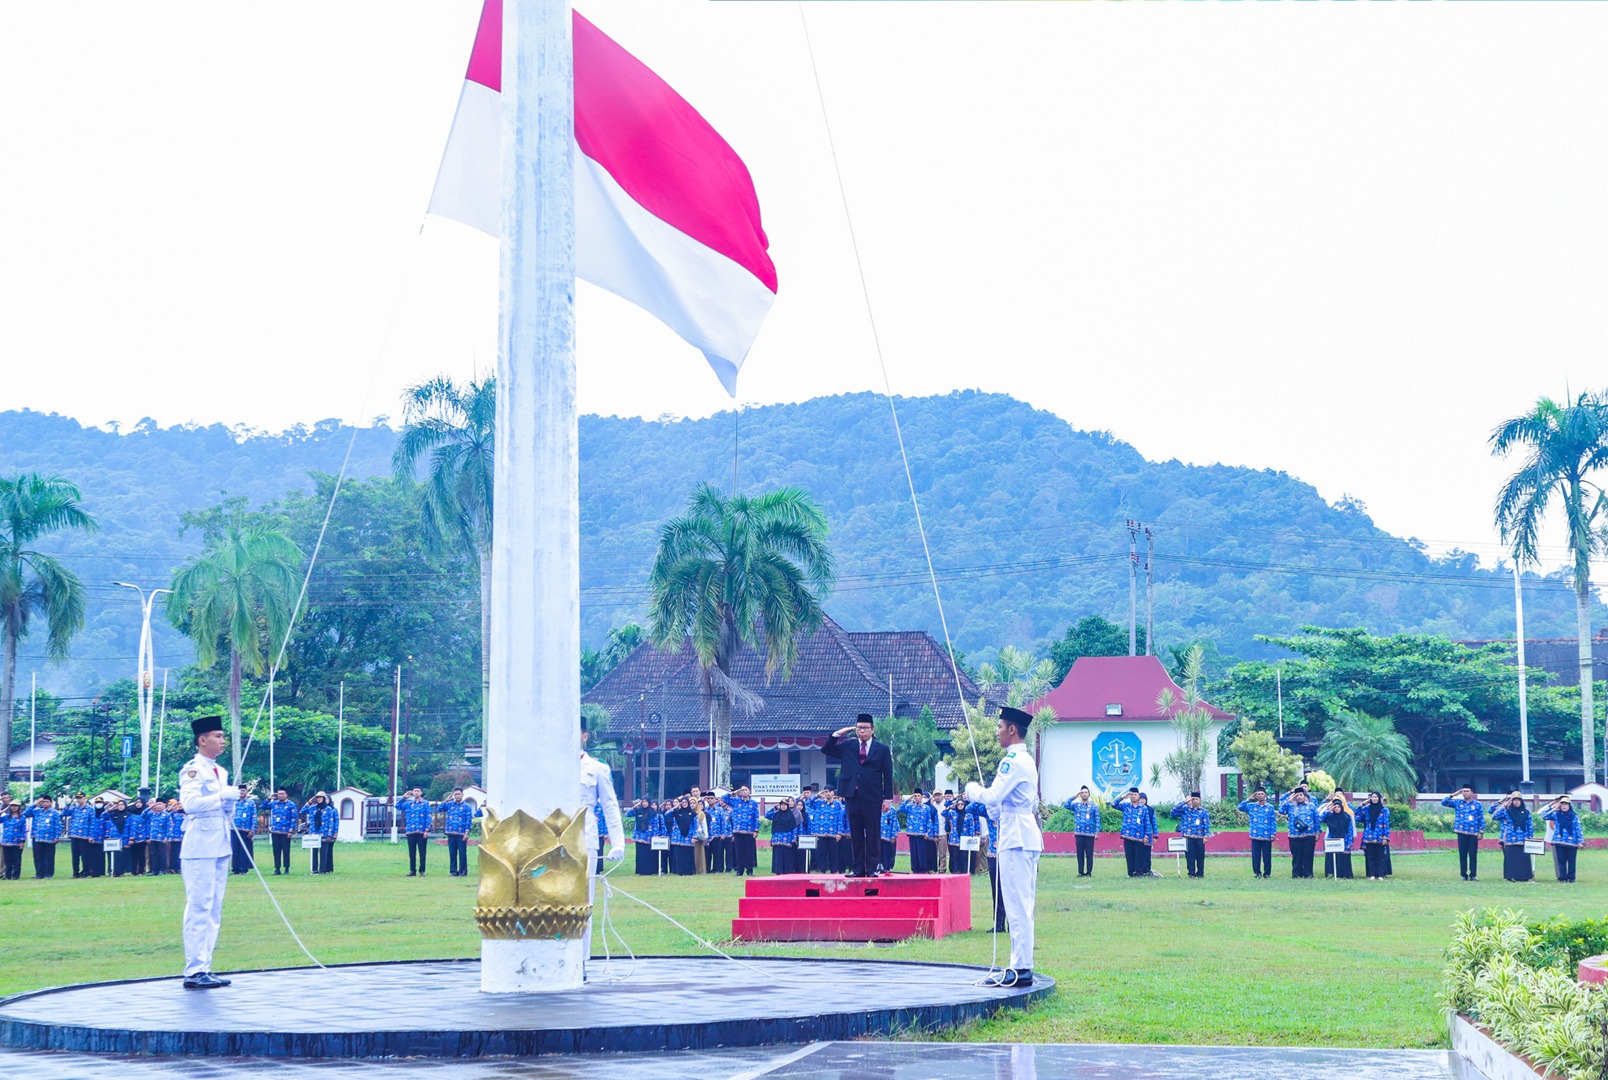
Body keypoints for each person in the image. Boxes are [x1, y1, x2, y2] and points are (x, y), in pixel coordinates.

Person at [965, 706, 1042, 988]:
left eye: (1000, 727)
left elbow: (993, 795)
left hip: (1017, 837)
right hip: (1021, 831)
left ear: (1012, 729)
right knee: (1020, 903)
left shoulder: (1012, 761)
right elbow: (1001, 806)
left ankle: (1021, 967)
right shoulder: (1024, 760)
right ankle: (1019, 963)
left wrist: (971, 788)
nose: (997, 732)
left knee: (1017, 903)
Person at [178, 715, 235, 990]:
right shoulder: (193, 770)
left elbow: (220, 808)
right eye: (218, 736)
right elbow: (190, 804)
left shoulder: (220, 772)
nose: (223, 741)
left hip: (220, 843)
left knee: (214, 908)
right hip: (199, 846)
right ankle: (194, 969)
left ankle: (205, 965)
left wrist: (230, 804)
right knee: (199, 906)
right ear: (202, 740)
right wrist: (222, 797)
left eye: (223, 736)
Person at [822, 714, 896, 877]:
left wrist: (887, 799)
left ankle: (872, 869)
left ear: (872, 730)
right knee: (855, 833)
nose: (861, 731)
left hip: (872, 796)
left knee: (872, 833)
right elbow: (826, 749)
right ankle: (857, 869)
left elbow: (888, 775)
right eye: (858, 728)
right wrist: (837, 734)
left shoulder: (881, 749)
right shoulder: (848, 745)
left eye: (865, 728)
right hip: (851, 795)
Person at [1441, 785, 1487, 882]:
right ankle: (1463, 874)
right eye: (1464, 791)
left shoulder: (1477, 804)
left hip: (1473, 833)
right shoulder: (1458, 803)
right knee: (1462, 854)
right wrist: (1454, 794)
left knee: (1473, 854)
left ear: (1472, 793)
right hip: (1461, 832)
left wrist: (1481, 832)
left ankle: (1473, 875)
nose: (1465, 793)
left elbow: (1481, 818)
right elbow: (1444, 802)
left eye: (1467, 791)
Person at [1492, 792, 1534, 882]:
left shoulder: (1526, 812)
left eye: (1518, 800)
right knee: (1511, 858)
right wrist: (1504, 805)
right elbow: (1495, 816)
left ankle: (1523, 876)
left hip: (1523, 838)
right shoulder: (1507, 812)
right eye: (1514, 800)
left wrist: (1530, 836)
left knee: (1523, 858)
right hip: (1511, 838)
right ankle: (1510, 876)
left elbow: (1529, 825)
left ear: (1521, 801)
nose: (1516, 802)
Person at [1280, 787, 1320, 879]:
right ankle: (1296, 874)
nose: (1299, 797)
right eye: (1296, 795)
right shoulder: (1290, 806)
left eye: (1301, 795)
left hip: (1309, 834)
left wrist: (1317, 832)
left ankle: (1308, 874)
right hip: (1294, 835)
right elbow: (1281, 810)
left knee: (1308, 855)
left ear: (1304, 796)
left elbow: (1316, 819)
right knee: (1296, 856)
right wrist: (1290, 797)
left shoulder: (1311, 806)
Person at [1238, 788, 1278, 879]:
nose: (1260, 795)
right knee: (1256, 856)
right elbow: (1240, 807)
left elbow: (1273, 821)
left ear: (1265, 796)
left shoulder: (1270, 807)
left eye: (1262, 794)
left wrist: (1273, 834)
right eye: (1258, 794)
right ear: (1256, 796)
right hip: (1255, 835)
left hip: (1267, 835)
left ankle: (1267, 873)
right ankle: (1257, 873)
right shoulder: (1251, 806)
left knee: (1267, 856)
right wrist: (1249, 798)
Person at [1170, 792, 1211, 878]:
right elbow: (1173, 813)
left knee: (1200, 856)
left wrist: (1206, 835)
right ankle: (1191, 873)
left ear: (1200, 800)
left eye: (1196, 799)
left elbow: (1206, 824)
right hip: (1188, 837)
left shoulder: (1203, 811)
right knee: (1190, 857)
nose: (1195, 801)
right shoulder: (1185, 809)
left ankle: (1200, 873)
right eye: (1193, 799)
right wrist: (1184, 802)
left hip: (1200, 836)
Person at [1541, 796, 1582, 883]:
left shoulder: (1574, 816)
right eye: (1562, 804)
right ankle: (1563, 878)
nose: (1564, 806)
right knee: (1561, 861)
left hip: (1572, 842)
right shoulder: (1556, 815)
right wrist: (1554, 807)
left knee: (1571, 861)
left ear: (1569, 806)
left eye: (1566, 804)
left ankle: (1571, 878)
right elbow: (1544, 815)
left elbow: (1578, 829)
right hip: (1559, 841)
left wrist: (1580, 841)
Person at [723, 785, 760, 875]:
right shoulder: (736, 801)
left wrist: (756, 830)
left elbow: (756, 817)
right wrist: (735, 792)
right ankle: (739, 870)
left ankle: (750, 870)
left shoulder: (753, 803)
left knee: (749, 852)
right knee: (739, 851)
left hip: (749, 831)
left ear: (749, 791)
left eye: (746, 790)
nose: (744, 791)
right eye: (742, 790)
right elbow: (724, 798)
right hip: (738, 831)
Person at [397, 788, 434, 877]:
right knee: (412, 852)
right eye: (414, 791)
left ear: (421, 792)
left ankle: (422, 870)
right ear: (412, 793)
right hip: (411, 831)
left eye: (418, 791)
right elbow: (397, 806)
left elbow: (428, 817)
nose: (416, 793)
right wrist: (403, 798)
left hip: (421, 831)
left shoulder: (425, 804)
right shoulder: (409, 804)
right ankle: (412, 870)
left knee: (422, 852)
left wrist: (426, 830)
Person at [24, 795, 62, 879]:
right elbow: (25, 814)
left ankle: (48, 874)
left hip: (50, 838)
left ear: (51, 803)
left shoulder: (54, 813)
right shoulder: (37, 811)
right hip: (38, 837)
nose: (44, 803)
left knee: (49, 857)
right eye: (43, 802)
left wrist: (57, 836)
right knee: (38, 856)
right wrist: (35, 804)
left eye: (46, 801)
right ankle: (39, 873)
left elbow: (58, 825)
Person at [443, 789, 478, 877]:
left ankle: (463, 871)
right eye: (455, 794)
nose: (457, 796)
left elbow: (468, 820)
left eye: (459, 794)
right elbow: (439, 809)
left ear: (462, 795)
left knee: (462, 853)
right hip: (451, 832)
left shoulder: (466, 806)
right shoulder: (450, 805)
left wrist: (467, 832)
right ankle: (453, 871)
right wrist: (446, 800)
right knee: (452, 853)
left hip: (461, 833)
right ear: (453, 795)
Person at [1066, 786, 1101, 877]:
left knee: (1089, 854)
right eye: (1082, 792)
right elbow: (1066, 805)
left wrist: (1097, 832)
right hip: (1079, 833)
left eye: (1086, 792)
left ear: (1089, 794)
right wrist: (1074, 796)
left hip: (1090, 834)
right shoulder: (1076, 805)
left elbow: (1097, 819)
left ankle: (1089, 872)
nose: (1084, 794)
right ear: (1080, 794)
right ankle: (1080, 872)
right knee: (1080, 854)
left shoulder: (1093, 806)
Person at [1358, 792, 1391, 880]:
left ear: (1379, 798)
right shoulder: (1366, 809)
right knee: (1370, 856)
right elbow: (1356, 815)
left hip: (1380, 836)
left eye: (1376, 797)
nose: (1374, 799)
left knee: (1380, 857)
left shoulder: (1384, 810)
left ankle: (1380, 875)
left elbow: (1386, 824)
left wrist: (1386, 837)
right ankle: (1371, 875)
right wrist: (1363, 803)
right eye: (1373, 797)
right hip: (1369, 836)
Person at [902, 791, 937, 873]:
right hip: (912, 833)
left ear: (921, 797)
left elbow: (929, 821)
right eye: (915, 796)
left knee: (922, 853)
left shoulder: (926, 808)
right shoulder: (910, 807)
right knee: (913, 853)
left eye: (918, 796)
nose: (917, 797)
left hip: (922, 833)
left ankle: (923, 869)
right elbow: (901, 808)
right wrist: (909, 798)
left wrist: (928, 832)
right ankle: (915, 869)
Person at [1320, 795, 1354, 879]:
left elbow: (1350, 830)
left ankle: (1344, 875)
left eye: (1339, 807)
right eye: (1335, 807)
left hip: (1344, 839)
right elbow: (1320, 818)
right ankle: (1331, 874)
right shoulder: (1330, 816)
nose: (1337, 808)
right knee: (1332, 857)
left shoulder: (1346, 816)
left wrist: (1349, 842)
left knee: (1343, 858)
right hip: (1332, 839)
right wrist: (1329, 811)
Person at [301, 793, 335, 873]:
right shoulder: (312, 808)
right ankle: (314, 869)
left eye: (321, 797)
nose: (319, 799)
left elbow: (330, 822)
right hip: (314, 833)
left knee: (323, 853)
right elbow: (302, 811)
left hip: (324, 833)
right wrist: (309, 802)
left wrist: (330, 834)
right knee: (314, 853)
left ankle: (322, 869)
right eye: (317, 797)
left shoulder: (328, 809)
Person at [1118, 788, 1148, 877]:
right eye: (1131, 794)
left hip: (1139, 835)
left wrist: (1146, 835)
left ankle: (1139, 872)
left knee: (1139, 855)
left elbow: (1146, 822)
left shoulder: (1143, 808)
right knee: (1129, 855)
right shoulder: (1126, 806)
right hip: (1128, 835)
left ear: (1139, 796)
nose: (1133, 796)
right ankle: (1131, 873)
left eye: (1135, 794)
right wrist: (1123, 797)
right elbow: (1113, 804)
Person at [267, 788, 298, 875]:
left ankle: (286, 868)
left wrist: (290, 831)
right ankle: (277, 868)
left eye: (282, 793)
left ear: (286, 794)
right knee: (276, 851)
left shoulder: (291, 805)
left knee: (286, 851)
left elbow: (293, 818)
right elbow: (263, 806)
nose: (280, 795)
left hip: (285, 832)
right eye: (279, 794)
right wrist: (269, 798)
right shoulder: (274, 803)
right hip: (275, 831)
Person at [230, 785, 258, 875]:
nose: (242, 792)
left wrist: (252, 829)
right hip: (234, 828)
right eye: (240, 791)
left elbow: (254, 816)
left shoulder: (250, 803)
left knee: (244, 849)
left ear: (246, 792)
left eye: (244, 790)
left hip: (246, 829)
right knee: (235, 849)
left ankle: (244, 868)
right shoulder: (233, 802)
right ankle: (235, 868)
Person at [766, 797, 799, 875]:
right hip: (777, 839)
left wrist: (794, 839)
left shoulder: (791, 816)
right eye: (782, 805)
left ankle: (787, 871)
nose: (783, 806)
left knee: (787, 855)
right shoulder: (776, 814)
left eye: (785, 805)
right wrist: (775, 807)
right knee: (777, 855)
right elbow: (767, 815)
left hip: (787, 839)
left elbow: (794, 828)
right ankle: (778, 871)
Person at [66, 792, 95, 878]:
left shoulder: (90, 809)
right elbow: (65, 812)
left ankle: (85, 872)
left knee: (84, 856)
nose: (79, 799)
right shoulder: (74, 808)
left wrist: (91, 835)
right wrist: (69, 802)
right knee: (75, 856)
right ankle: (75, 873)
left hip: (84, 836)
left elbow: (92, 823)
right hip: (74, 835)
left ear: (85, 798)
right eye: (77, 798)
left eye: (80, 798)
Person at [146, 798, 171, 876]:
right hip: (153, 837)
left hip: (162, 838)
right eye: (157, 804)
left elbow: (169, 827)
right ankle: (154, 870)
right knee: (153, 854)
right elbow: (143, 815)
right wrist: (150, 807)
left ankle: (162, 870)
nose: (158, 806)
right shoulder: (152, 814)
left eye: (160, 804)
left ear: (164, 805)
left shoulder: (167, 815)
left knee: (162, 854)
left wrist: (167, 837)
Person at [127, 797, 150, 876]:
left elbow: (147, 826)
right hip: (132, 837)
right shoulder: (131, 813)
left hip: (142, 837)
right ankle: (133, 871)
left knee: (141, 855)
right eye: (137, 802)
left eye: (140, 802)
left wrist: (147, 837)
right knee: (133, 855)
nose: (138, 804)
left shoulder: (145, 814)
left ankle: (141, 871)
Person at [1, 803, 24, 880]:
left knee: (17, 860)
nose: (14, 808)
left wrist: (22, 841)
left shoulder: (22, 818)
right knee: (7, 860)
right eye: (12, 806)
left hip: (16, 842)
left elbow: (23, 830)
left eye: (16, 806)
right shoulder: (6, 817)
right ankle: (8, 875)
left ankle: (15, 876)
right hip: (6, 841)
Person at [879, 798, 901, 872]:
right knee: (879, 854)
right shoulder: (877, 807)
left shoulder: (892, 810)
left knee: (887, 854)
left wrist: (893, 836)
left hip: (887, 836)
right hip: (878, 836)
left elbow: (894, 823)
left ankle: (886, 870)